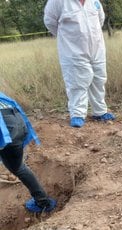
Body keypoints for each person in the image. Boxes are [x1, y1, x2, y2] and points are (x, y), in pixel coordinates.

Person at [43, 0, 115, 128]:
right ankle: (77, 114)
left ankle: (99, 111)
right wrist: (68, 38)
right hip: (72, 51)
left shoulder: (94, 1)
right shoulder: (57, 2)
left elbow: (100, 20)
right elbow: (50, 22)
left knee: (99, 79)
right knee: (76, 82)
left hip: (97, 48)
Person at [0, 92, 56, 213]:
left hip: (7, 127)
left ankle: (43, 202)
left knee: (18, 168)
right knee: (17, 165)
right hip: (18, 121)